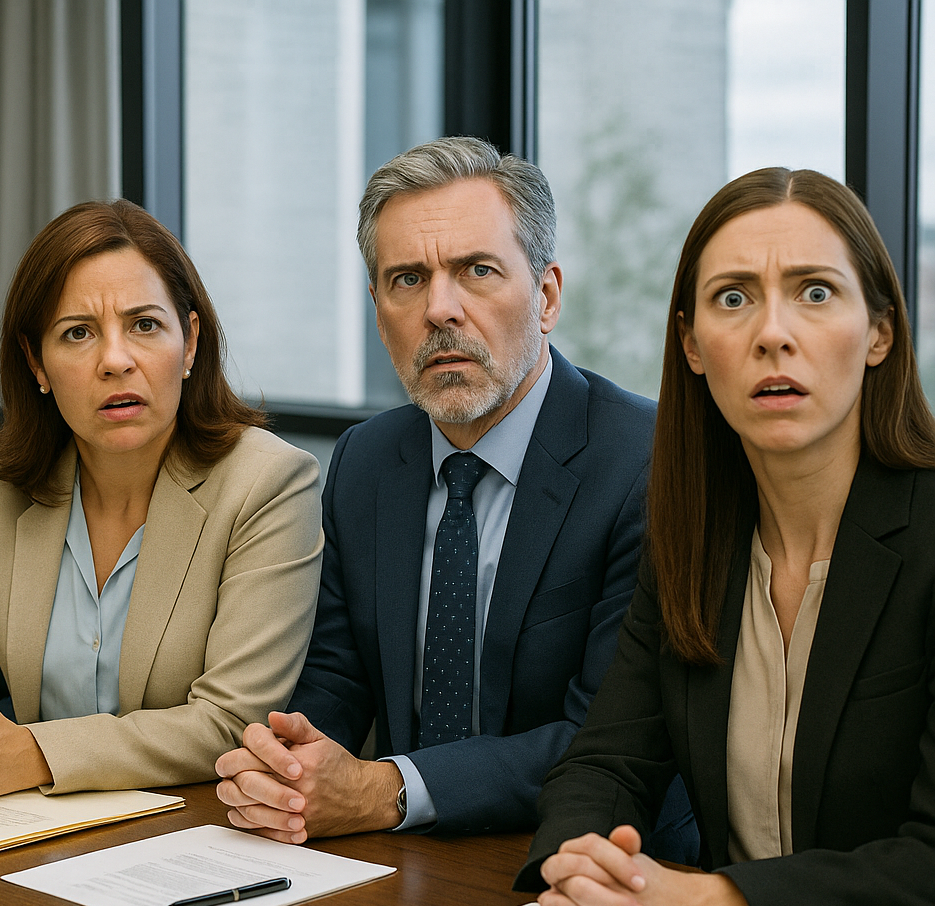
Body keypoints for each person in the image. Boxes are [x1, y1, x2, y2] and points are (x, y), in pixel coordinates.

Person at [214, 137, 694, 854]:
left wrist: (388, 788)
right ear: (379, 313)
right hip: (399, 857)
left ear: (548, 295)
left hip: (595, 862)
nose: (441, 309)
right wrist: (288, 765)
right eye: (407, 279)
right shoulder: (367, 460)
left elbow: (605, 736)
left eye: (476, 270)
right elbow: (338, 677)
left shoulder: (646, 463)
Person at [518, 167, 935, 906]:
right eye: (733, 298)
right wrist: (580, 861)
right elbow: (606, 761)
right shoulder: (693, 536)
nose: (772, 332)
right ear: (692, 345)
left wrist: (724, 904)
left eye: (815, 292)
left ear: (879, 331)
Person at [0, 199, 322, 799]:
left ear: (189, 343)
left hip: (191, 833)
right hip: (24, 831)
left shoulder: (269, 483)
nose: (115, 360)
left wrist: (32, 754)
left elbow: (227, 722)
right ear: (37, 362)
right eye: (78, 333)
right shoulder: (2, 484)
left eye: (144, 325)